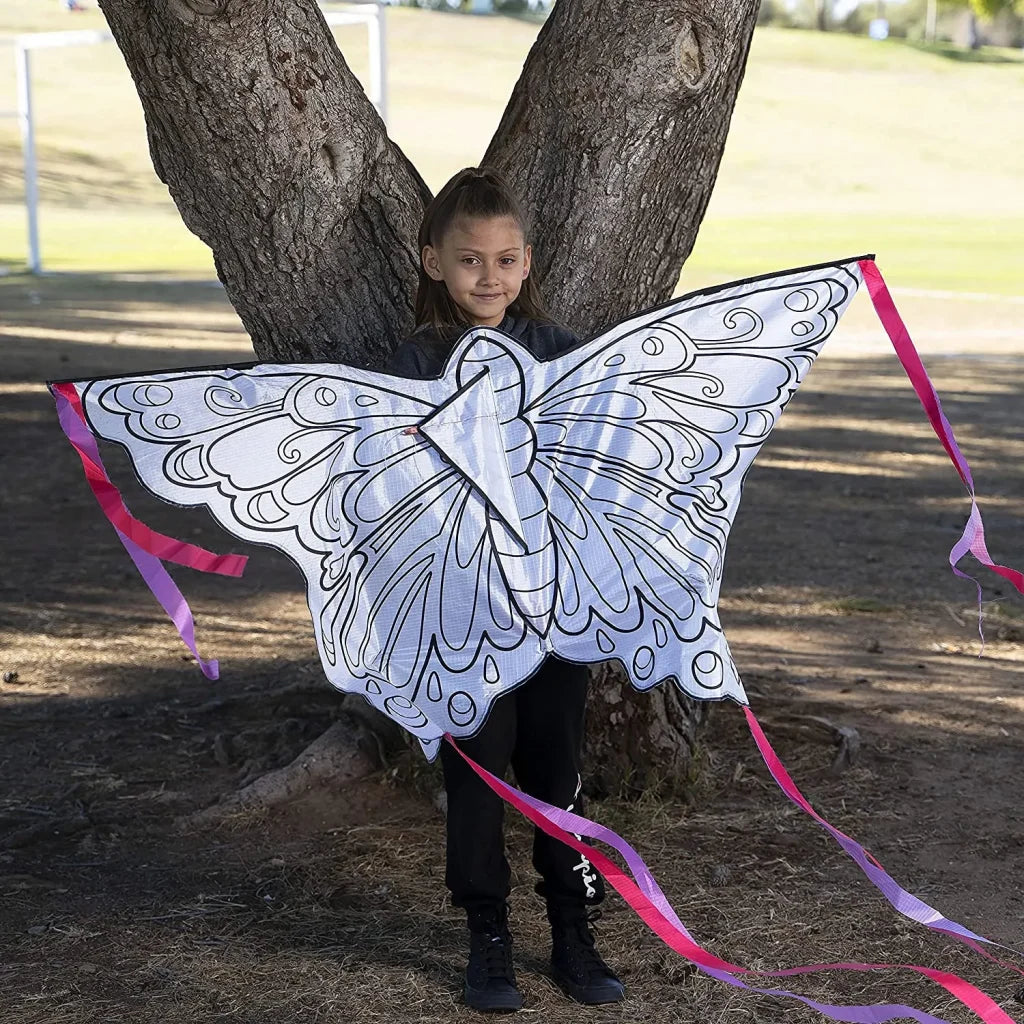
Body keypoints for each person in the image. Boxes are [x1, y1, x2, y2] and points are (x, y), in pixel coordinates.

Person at [387, 167, 625, 1013]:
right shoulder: (411, 361)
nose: (487, 277)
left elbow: (602, 462)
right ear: (433, 261)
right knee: (479, 775)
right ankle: (486, 934)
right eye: (468, 260)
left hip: (554, 608)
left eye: (504, 258)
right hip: (461, 617)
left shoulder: (561, 352)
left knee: (557, 767)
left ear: (527, 262)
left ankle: (574, 928)